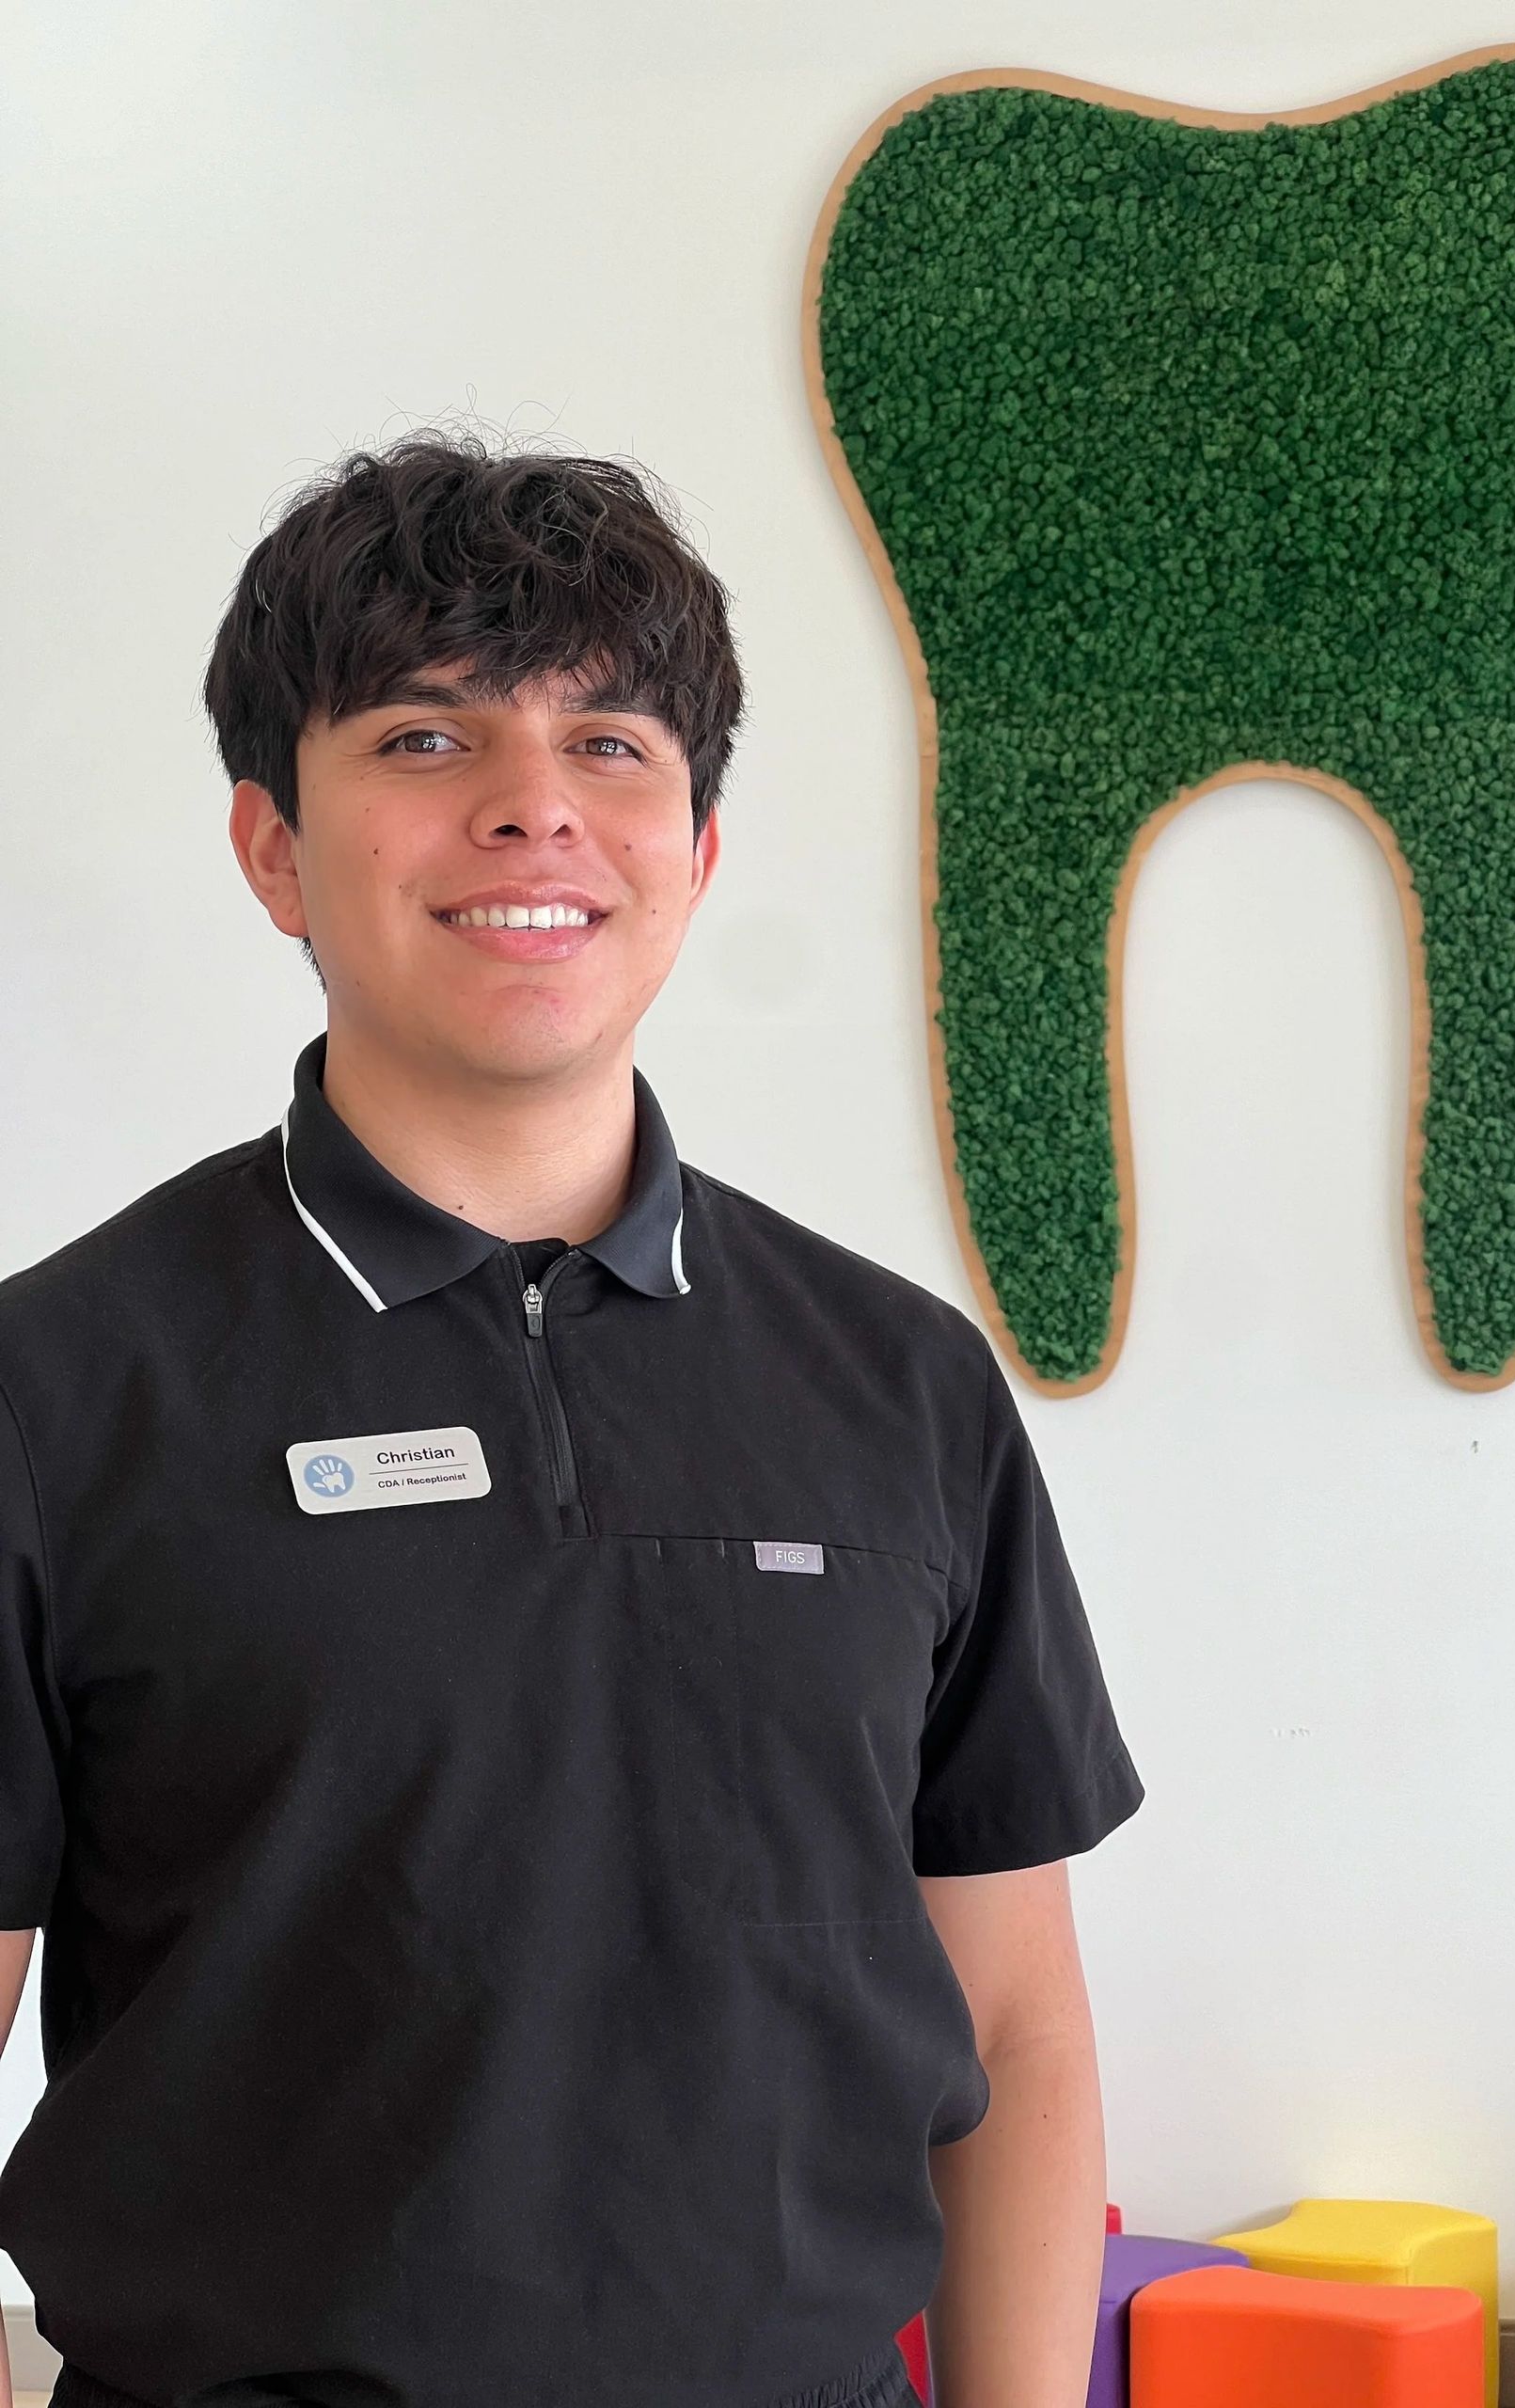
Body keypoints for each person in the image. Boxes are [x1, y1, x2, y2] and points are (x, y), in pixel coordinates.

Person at [0, 430, 1145, 2408]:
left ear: (698, 849)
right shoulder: (60, 1386)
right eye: (429, 742)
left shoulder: (901, 1382)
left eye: (612, 745)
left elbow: (1017, 2021)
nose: (538, 812)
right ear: (271, 840)